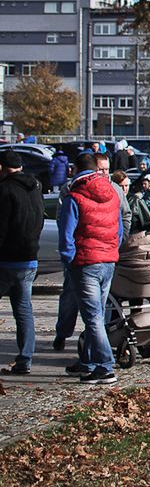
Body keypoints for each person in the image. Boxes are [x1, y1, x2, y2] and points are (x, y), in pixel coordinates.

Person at [58, 152, 123, 383]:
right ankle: (89, 362)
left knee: (93, 316)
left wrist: (69, 259)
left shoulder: (73, 197)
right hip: (108, 260)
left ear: (75, 170)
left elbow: (66, 235)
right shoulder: (113, 194)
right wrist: (113, 250)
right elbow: (119, 230)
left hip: (86, 262)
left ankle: (105, 366)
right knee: (96, 314)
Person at [0, 151, 44, 375]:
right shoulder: (35, 186)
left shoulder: (5, 190)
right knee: (24, 309)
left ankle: (24, 359)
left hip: (7, 260)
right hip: (29, 258)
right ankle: (25, 359)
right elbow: (40, 218)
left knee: (22, 309)